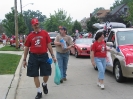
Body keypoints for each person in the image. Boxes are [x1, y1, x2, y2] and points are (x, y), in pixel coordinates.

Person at [23, 18, 56, 99]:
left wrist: (53, 56)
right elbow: (26, 48)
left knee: (47, 73)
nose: (36, 25)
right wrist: (24, 59)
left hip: (44, 56)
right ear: (32, 25)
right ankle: (39, 92)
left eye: (37, 24)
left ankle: (44, 84)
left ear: (39, 24)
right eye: (34, 24)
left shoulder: (44, 33)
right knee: (35, 74)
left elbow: (49, 45)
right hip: (33, 57)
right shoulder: (30, 36)